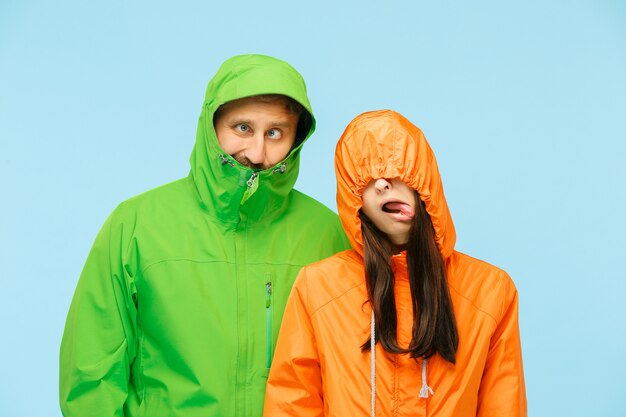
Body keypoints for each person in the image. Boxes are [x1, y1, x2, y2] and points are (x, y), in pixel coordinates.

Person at [59, 54, 350, 417]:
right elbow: (92, 375)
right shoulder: (135, 225)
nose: (257, 153)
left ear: (296, 138)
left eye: (274, 132)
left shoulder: (329, 235)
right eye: (242, 128)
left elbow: (353, 375)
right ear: (210, 126)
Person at [263, 110, 527, 416]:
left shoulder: (490, 290)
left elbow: (503, 405)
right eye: (366, 179)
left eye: (395, 168)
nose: (381, 186)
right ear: (355, 204)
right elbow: (293, 402)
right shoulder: (319, 286)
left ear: (423, 177)